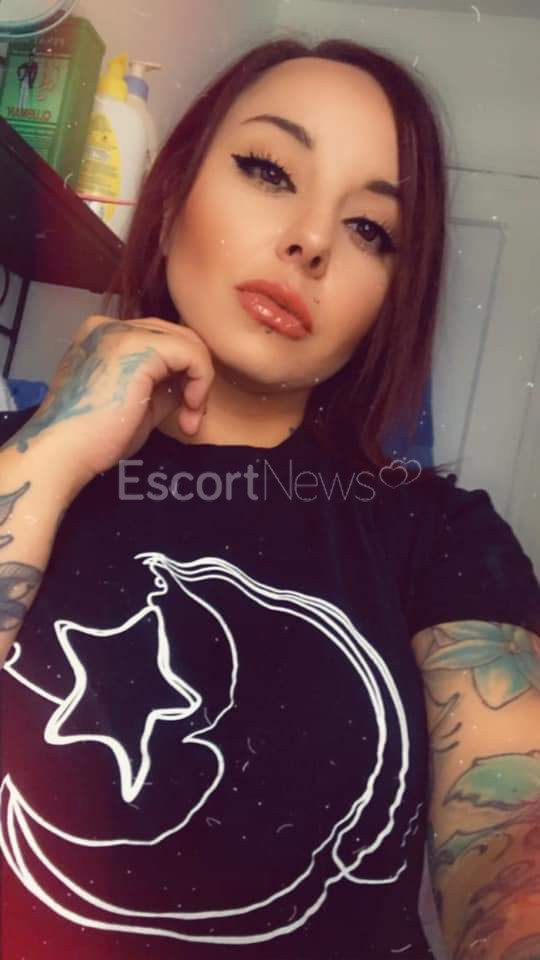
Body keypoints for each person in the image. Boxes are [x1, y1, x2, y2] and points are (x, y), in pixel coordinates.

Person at [0, 35, 539, 960]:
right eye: (268, 170)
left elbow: (508, 842)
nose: (312, 242)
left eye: (370, 230)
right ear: (170, 200)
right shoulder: (20, 458)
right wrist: (54, 447)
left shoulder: (441, 534)